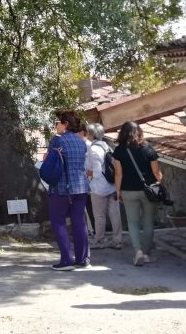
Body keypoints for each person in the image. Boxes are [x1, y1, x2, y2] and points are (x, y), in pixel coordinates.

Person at [112, 121, 162, 266]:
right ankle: (146, 254)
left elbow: (118, 174)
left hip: (128, 191)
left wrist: (118, 191)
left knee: (132, 222)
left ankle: (138, 251)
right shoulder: (148, 149)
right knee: (148, 221)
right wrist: (160, 184)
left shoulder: (119, 151)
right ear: (139, 132)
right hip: (149, 191)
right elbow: (156, 173)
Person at [46, 112, 91, 271]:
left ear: (65, 123)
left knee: (58, 221)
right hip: (81, 187)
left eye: (57, 122)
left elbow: (49, 161)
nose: (56, 126)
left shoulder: (57, 141)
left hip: (61, 187)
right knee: (79, 221)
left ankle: (66, 259)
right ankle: (83, 258)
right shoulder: (81, 142)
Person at [85, 124, 122, 250]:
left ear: (91, 134)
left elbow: (96, 171)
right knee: (115, 214)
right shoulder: (108, 146)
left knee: (99, 215)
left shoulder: (93, 149)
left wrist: (86, 172)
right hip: (112, 185)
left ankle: (99, 240)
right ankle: (117, 240)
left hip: (99, 188)